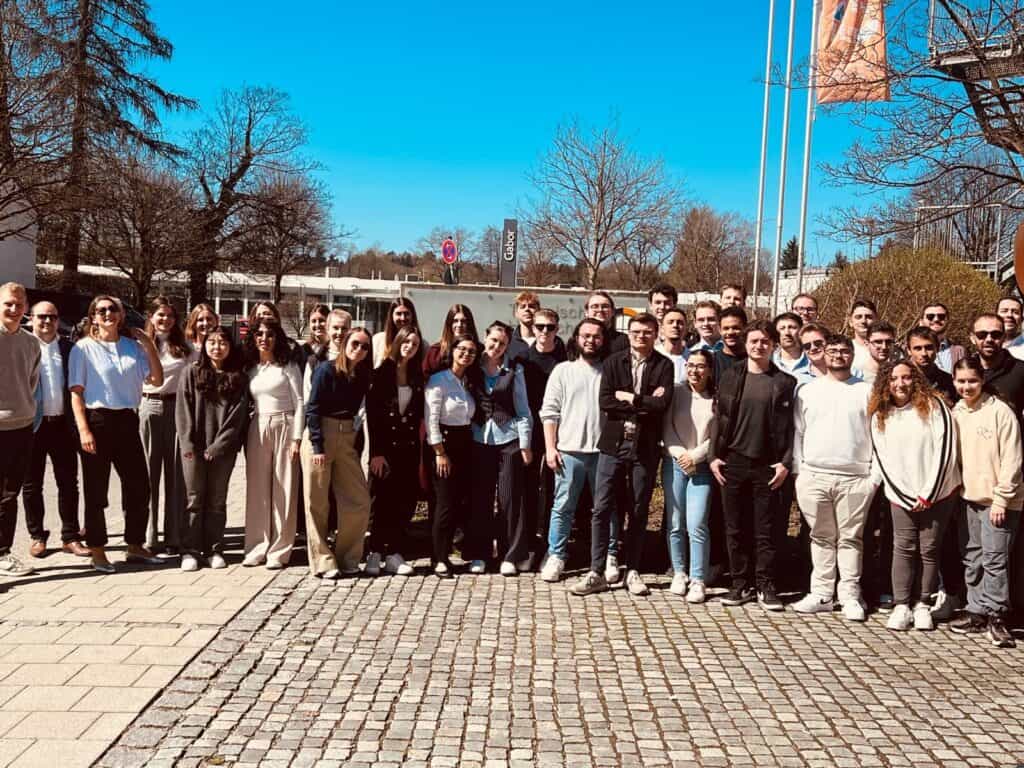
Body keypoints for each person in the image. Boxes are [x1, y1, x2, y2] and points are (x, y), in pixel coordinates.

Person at [571, 313, 673, 597]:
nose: (641, 336)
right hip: (614, 443)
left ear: (656, 334)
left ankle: (633, 571)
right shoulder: (614, 362)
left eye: (648, 331)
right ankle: (596, 570)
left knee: (638, 509)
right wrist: (643, 403)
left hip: (645, 446)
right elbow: (605, 402)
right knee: (601, 507)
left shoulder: (663, 365)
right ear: (629, 334)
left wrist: (630, 398)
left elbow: (662, 404)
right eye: (637, 331)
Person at [69, 295, 164, 573]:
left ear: (121, 315)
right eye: (102, 310)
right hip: (97, 421)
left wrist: (148, 344)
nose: (108, 314)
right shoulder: (83, 349)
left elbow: (156, 379)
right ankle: (97, 551)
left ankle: (134, 545)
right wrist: (84, 429)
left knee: (138, 486)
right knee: (96, 490)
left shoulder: (133, 347)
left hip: (127, 420)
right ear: (94, 317)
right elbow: (76, 393)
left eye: (113, 309)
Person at [709, 320, 796, 611]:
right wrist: (713, 456)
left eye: (765, 341)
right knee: (734, 528)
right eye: (754, 341)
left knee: (765, 529)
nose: (760, 346)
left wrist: (785, 463)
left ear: (773, 345)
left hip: (767, 465)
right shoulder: (731, 377)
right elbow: (717, 419)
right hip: (732, 462)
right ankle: (739, 584)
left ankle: (766, 585)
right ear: (746, 345)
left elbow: (791, 428)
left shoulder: (784, 383)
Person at [869, 360, 961, 631]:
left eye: (907, 377)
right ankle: (901, 605)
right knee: (903, 547)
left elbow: (946, 452)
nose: (900, 384)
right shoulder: (880, 415)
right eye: (894, 378)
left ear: (915, 380)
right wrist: (904, 495)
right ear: (886, 382)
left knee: (929, 549)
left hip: (939, 492)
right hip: (901, 495)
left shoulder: (935, 407)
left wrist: (928, 493)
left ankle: (922, 604)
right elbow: (882, 458)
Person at [791, 334, 875, 622]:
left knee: (851, 539)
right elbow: (798, 433)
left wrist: (872, 478)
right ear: (823, 354)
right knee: (821, 537)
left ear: (852, 355)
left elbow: (877, 434)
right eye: (833, 351)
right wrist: (799, 472)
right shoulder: (807, 391)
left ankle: (850, 595)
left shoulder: (867, 391)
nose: (838, 355)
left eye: (844, 351)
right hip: (814, 474)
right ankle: (822, 593)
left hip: (855, 477)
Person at [950, 357, 1021, 648]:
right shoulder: (957, 412)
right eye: (961, 381)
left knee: (995, 559)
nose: (967, 386)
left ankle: (997, 616)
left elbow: (1013, 459)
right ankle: (976, 610)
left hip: (998, 500)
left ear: (982, 381)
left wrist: (1002, 499)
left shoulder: (1000, 412)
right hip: (969, 497)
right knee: (973, 557)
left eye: (972, 381)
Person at [539, 318, 612, 583]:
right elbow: (549, 412)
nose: (591, 340)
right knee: (563, 506)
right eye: (585, 335)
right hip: (569, 451)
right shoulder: (563, 371)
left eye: (596, 336)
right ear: (577, 339)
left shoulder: (610, 371)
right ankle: (556, 555)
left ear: (603, 340)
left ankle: (610, 556)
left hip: (604, 453)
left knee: (606, 508)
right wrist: (550, 447)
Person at [175, 326, 250, 571]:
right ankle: (190, 550)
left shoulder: (238, 377)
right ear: (204, 345)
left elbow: (237, 418)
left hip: (223, 451)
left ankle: (214, 549)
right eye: (212, 342)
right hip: (193, 449)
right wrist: (189, 445)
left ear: (230, 347)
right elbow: (183, 411)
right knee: (194, 499)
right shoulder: (191, 372)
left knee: (217, 501)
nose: (217, 347)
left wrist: (218, 447)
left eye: (223, 343)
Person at [464, 322, 533, 575]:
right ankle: (479, 554)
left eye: (502, 343)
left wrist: (525, 444)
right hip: (479, 437)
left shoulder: (515, 370)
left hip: (509, 439)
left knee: (510, 498)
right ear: (485, 337)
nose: (496, 346)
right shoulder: (472, 365)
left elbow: (524, 410)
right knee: (480, 498)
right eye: (493, 341)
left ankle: (510, 555)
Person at [22, 301, 88, 558]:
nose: (47, 321)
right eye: (42, 317)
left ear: (58, 320)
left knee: (69, 483)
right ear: (32, 318)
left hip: (62, 425)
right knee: (31, 485)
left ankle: (70, 536)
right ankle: (37, 536)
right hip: (32, 425)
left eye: (52, 317)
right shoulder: (23, 345)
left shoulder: (70, 349)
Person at [305, 326, 372, 578]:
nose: (359, 350)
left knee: (358, 500)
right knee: (317, 502)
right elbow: (312, 407)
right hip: (321, 433)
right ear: (345, 344)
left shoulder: (363, 375)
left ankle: (348, 557)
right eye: (355, 343)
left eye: (365, 346)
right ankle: (323, 560)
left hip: (347, 437)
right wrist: (317, 445)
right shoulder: (326, 370)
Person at [242, 318, 303, 569]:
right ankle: (257, 546)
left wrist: (297, 437)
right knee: (257, 490)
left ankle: (279, 550)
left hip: (285, 425)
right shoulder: (251, 368)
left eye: (269, 334)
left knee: (284, 489)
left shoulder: (287, 366)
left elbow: (301, 401)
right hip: (258, 426)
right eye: (259, 334)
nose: (264, 338)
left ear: (277, 338)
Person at [366, 326, 424, 577]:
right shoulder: (380, 374)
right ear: (398, 342)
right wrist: (376, 453)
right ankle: (374, 552)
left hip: (408, 449)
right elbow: (373, 417)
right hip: (384, 449)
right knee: (380, 501)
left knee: (404, 501)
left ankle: (394, 553)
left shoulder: (417, 377)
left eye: (414, 342)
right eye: (406, 341)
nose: (409, 346)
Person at [661, 348, 716, 603]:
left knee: (697, 524)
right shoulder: (677, 393)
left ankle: (698, 578)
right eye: (691, 365)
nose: (695, 370)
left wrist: (695, 456)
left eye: (701, 366)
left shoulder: (717, 398)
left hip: (701, 466)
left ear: (710, 369)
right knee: (675, 522)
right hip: (674, 463)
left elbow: (716, 436)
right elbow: (667, 427)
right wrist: (681, 454)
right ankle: (679, 571)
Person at [516, 308, 567, 567]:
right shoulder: (522, 359)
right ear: (532, 328)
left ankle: (551, 544)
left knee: (553, 488)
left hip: (560, 430)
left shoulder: (566, 357)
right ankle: (526, 544)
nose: (544, 331)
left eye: (550, 327)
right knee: (526, 487)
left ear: (557, 328)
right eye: (540, 327)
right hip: (529, 430)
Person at [425, 334, 478, 577]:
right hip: (443, 446)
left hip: (465, 443)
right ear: (453, 351)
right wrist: (439, 452)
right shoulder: (439, 380)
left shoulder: (467, 382)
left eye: (471, 351)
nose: (466, 354)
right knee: (444, 504)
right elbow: (431, 419)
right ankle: (439, 558)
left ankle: (452, 551)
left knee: (459, 502)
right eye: (462, 349)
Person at [139, 297, 190, 555]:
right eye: (160, 315)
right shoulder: (139, 344)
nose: (165, 320)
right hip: (148, 406)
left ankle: (174, 536)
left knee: (174, 475)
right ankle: (149, 536)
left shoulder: (184, 347)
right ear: (151, 317)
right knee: (148, 475)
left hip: (175, 409)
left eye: (170, 316)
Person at [0, 283, 41, 577]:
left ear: (26, 306)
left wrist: (23, 409)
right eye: (7, 304)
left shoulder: (31, 343)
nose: (13, 309)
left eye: (18, 304)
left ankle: (2, 553)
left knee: (9, 493)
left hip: (22, 425)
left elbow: (32, 382)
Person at [423, 304, 479, 376]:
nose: (459, 325)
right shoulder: (435, 351)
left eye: (463, 321)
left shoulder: (479, 349)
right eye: (455, 321)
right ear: (449, 323)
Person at [906, 326, 958, 403]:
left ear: (937, 348)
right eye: (918, 348)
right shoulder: (900, 380)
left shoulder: (948, 381)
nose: (924, 353)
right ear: (909, 350)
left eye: (929, 348)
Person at [919, 302, 964, 374]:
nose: (936, 319)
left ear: (948, 321)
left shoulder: (959, 351)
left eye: (941, 316)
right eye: (930, 316)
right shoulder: (907, 351)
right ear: (921, 322)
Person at [372, 297, 418, 367]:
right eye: (398, 314)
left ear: (412, 316)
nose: (403, 318)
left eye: (406, 314)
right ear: (391, 316)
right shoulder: (378, 340)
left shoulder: (422, 345)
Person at [714, 306, 747, 380]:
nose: (730, 332)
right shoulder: (712, 362)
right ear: (719, 330)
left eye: (735, 328)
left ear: (745, 328)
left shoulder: (754, 361)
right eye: (726, 328)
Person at [656, 307, 688, 383]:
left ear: (686, 328)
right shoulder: (653, 354)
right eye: (670, 322)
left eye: (680, 322)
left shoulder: (692, 357)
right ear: (662, 328)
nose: (675, 325)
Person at [772, 312, 808, 377]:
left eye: (792, 327)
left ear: (801, 331)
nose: (787, 333)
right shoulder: (769, 362)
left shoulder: (813, 361)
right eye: (782, 328)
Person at [848, 299, 877, 374]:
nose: (863, 321)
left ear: (876, 320)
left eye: (869, 317)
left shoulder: (887, 349)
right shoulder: (844, 350)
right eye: (858, 317)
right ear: (850, 322)